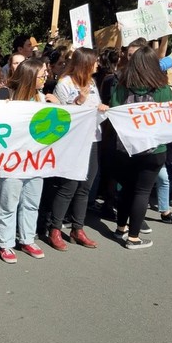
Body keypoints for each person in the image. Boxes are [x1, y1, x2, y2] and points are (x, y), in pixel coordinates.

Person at [110, 46, 172, 249]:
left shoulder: (121, 87)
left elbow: (114, 112)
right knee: (142, 192)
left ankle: (121, 228)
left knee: (127, 189)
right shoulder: (162, 89)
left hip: (126, 148)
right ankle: (134, 237)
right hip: (154, 149)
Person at [0, 58, 50, 263]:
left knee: (32, 202)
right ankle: (6, 244)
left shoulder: (42, 99)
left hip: (35, 162)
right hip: (11, 163)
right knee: (8, 204)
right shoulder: (6, 97)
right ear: (31, 76)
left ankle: (27, 238)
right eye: (43, 74)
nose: (46, 77)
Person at [48, 48, 105, 250]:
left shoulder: (91, 82)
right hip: (73, 142)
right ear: (85, 63)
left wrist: (101, 109)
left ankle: (77, 228)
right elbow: (60, 115)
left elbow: (95, 107)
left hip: (93, 139)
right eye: (94, 62)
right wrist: (78, 101)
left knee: (85, 187)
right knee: (69, 186)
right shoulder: (64, 83)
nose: (97, 65)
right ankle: (55, 228)